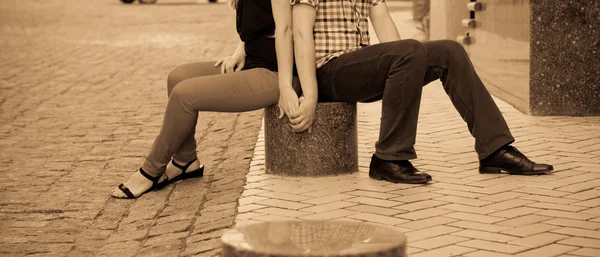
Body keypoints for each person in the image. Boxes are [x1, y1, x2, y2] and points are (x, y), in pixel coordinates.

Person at [287, 0, 553, 184]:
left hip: (360, 67)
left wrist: (407, 63)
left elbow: (389, 33)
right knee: (410, 50)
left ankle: (494, 148)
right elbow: (299, 32)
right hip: (328, 71)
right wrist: (310, 94)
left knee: (450, 51)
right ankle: (388, 157)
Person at [111, 0, 317, 198]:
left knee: (184, 96)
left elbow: (286, 28)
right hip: (254, 61)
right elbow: (258, 21)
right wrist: (241, 50)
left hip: (276, 72)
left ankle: (151, 171)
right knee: (177, 77)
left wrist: (286, 86)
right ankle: (185, 161)